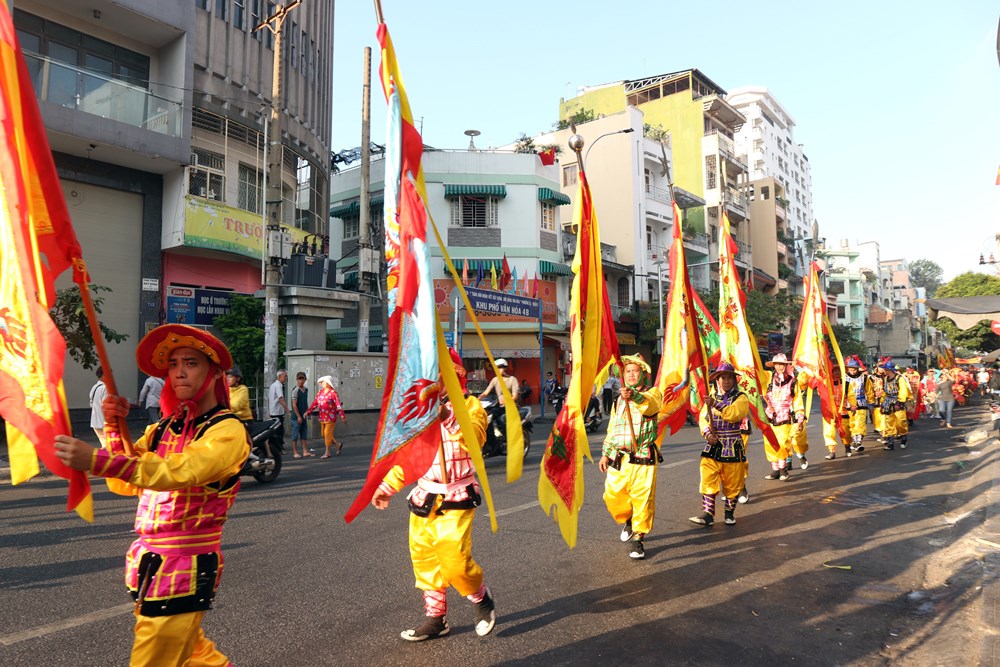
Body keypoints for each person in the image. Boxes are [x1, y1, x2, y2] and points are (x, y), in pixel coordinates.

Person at [53, 323, 250, 666]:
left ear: (214, 372)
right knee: (195, 656)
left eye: (190, 362)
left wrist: (96, 459)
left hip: (184, 568)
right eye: (173, 365)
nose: (179, 373)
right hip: (148, 562)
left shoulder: (227, 430)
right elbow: (125, 483)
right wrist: (115, 431)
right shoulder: (162, 428)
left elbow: (177, 473)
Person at [371, 348, 496, 641]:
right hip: (425, 497)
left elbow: (475, 438)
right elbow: (411, 460)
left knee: (454, 560)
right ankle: (436, 619)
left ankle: (480, 598)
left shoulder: (471, 405)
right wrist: (387, 487)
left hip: (458, 496)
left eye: (444, 372)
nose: (438, 379)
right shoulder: (419, 416)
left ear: (457, 375)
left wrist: (447, 415)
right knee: (425, 560)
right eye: (433, 373)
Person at [598, 354, 663, 560]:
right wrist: (605, 454)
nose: (632, 374)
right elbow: (612, 429)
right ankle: (628, 519)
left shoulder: (652, 393)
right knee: (612, 495)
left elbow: (651, 406)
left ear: (642, 374)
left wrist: (633, 397)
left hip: (643, 457)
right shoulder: (618, 400)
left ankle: (638, 539)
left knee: (642, 499)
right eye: (628, 371)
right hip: (620, 457)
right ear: (623, 375)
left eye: (636, 371)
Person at [689, 362, 750, 528]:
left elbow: (734, 414)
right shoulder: (711, 397)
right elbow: (703, 419)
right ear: (717, 380)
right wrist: (708, 434)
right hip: (714, 446)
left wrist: (715, 404)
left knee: (733, 482)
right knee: (708, 476)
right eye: (723, 377)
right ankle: (708, 514)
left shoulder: (741, 398)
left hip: (732, 445)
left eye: (729, 377)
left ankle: (729, 513)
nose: (726, 381)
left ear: (734, 380)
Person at [761, 353, 804, 480]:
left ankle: (782, 469)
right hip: (770, 417)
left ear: (786, 366)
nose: (780, 367)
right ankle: (775, 470)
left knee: (783, 443)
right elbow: (756, 374)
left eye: (782, 364)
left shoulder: (792, 382)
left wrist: (800, 419)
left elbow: (797, 401)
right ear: (774, 365)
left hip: (785, 417)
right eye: (777, 364)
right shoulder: (768, 379)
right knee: (770, 444)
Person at [306, 375, 346, 458]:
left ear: (328, 383)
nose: (321, 383)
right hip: (322, 417)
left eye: (323, 382)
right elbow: (315, 403)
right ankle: (337, 444)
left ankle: (327, 452)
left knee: (327, 434)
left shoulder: (333, 393)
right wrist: (308, 411)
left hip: (330, 418)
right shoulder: (320, 392)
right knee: (324, 434)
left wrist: (342, 415)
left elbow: (338, 405)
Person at [843, 357, 873, 455]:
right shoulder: (844, 378)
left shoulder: (864, 378)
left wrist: (871, 403)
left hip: (861, 403)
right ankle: (855, 441)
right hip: (849, 404)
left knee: (860, 423)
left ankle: (858, 441)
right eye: (850, 369)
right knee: (852, 424)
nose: (852, 371)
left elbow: (869, 391)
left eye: (854, 369)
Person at [880, 361, 912, 450]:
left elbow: (903, 391)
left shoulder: (899, 379)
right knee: (888, 423)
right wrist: (882, 404)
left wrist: (899, 402)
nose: (884, 371)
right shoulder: (885, 379)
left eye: (885, 369)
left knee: (900, 422)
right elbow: (884, 392)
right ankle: (890, 443)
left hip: (897, 402)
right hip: (888, 402)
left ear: (889, 370)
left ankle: (903, 437)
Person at [478, 359, 519, 428]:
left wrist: (507, 401)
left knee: (502, 422)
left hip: (510, 408)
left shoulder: (512, 379)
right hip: (499, 407)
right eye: (496, 368)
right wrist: (477, 399)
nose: (498, 369)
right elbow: (486, 392)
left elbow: (515, 396)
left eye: (500, 367)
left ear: (505, 368)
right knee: (487, 415)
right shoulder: (495, 380)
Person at [289, 371, 313, 458]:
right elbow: (294, 404)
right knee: (295, 434)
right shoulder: (295, 390)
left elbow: (305, 402)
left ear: (305, 379)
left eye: (303, 378)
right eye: (300, 378)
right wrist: (298, 416)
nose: (301, 380)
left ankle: (305, 451)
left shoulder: (306, 390)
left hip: (303, 415)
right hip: (296, 417)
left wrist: (308, 412)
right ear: (297, 379)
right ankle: (295, 452)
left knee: (304, 434)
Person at [268, 369, 288, 442]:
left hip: (273, 411)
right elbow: (281, 398)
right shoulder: (278, 386)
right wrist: (287, 410)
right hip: (277, 411)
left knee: (276, 430)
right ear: (279, 377)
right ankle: (279, 447)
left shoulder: (273, 385)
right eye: (285, 376)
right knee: (279, 430)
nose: (286, 378)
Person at [89, 367, 107, 446]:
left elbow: (91, 404)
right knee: (109, 447)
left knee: (104, 445)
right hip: (104, 422)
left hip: (95, 422)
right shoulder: (105, 388)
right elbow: (106, 405)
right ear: (104, 375)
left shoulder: (94, 387)